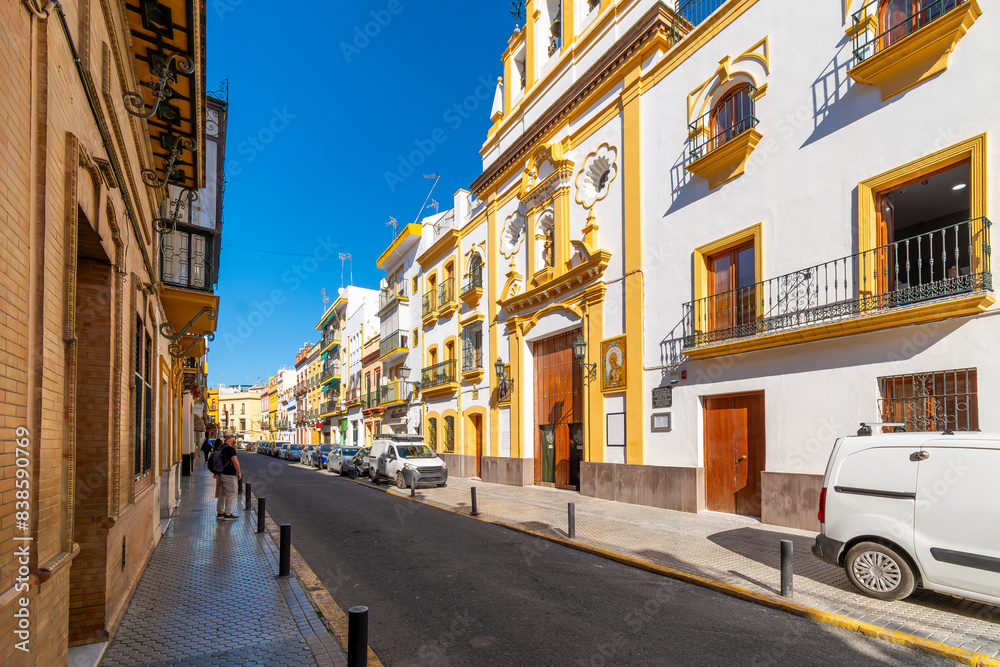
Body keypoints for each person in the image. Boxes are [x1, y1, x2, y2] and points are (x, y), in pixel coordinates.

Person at [215, 429, 242, 520]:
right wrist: (239, 472)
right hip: (229, 474)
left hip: (221, 474)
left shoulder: (221, 447)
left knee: (222, 493)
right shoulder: (230, 449)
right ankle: (228, 514)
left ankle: (220, 512)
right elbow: (235, 461)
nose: (234, 439)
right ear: (230, 438)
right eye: (233, 437)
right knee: (232, 493)